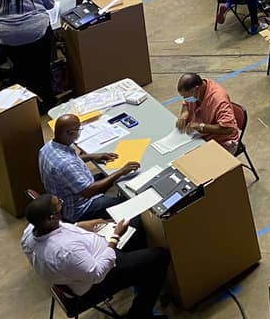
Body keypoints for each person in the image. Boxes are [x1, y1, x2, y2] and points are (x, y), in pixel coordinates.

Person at [21, 194, 170, 319]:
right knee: (160, 257)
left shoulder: (31, 231)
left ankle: (140, 275)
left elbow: (62, 228)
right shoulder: (65, 251)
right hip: (99, 278)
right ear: (51, 218)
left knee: (138, 222)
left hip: (95, 252)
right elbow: (97, 273)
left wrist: (84, 225)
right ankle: (140, 314)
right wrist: (116, 237)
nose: (62, 204)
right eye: (59, 206)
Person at [39, 113, 140, 221]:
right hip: (79, 208)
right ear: (71, 132)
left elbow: (70, 163)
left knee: (110, 174)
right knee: (130, 203)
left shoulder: (47, 147)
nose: (79, 132)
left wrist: (92, 156)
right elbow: (89, 192)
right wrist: (121, 171)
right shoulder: (66, 164)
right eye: (79, 129)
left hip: (68, 193)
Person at [0, 0, 57, 102]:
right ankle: (48, 101)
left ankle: (24, 104)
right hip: (36, 33)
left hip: (7, 37)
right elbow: (50, 5)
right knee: (42, 68)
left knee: (20, 68)